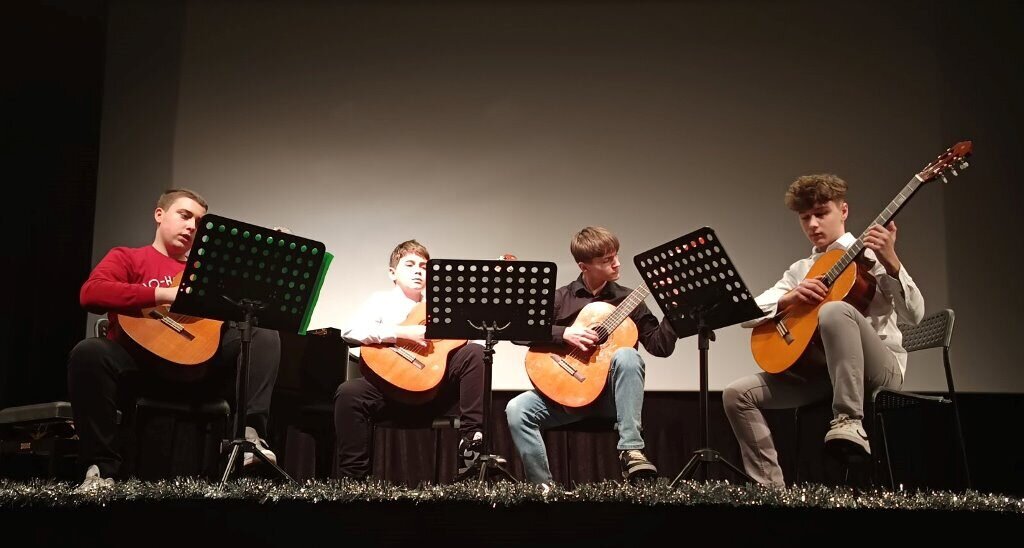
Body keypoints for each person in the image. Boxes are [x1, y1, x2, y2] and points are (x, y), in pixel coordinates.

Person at [68, 188, 281, 491]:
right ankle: (101, 470)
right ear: (159, 215)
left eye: (199, 222)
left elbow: (244, 309)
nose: (192, 226)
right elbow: (91, 293)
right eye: (185, 215)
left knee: (262, 334)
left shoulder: (207, 273)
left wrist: (264, 263)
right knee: (88, 352)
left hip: (197, 371)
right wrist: (164, 294)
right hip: (139, 367)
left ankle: (250, 439)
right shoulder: (127, 257)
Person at [723, 173, 925, 487]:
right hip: (823, 375)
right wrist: (790, 298)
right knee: (736, 395)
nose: (813, 225)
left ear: (843, 211)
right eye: (805, 218)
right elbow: (746, 313)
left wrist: (892, 260)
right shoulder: (802, 270)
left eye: (821, 214)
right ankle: (771, 489)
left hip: (879, 371)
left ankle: (849, 420)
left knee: (834, 310)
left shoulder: (871, 256)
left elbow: (915, 315)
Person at [505, 226, 679, 485]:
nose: (617, 264)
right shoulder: (561, 298)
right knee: (517, 409)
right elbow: (518, 332)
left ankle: (631, 450)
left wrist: (672, 312)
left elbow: (660, 347)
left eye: (616, 256)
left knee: (628, 357)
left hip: (610, 400)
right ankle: (542, 488)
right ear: (583, 266)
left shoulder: (630, 299)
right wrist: (564, 334)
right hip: (565, 397)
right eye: (607, 260)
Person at [335, 239, 497, 481]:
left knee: (474, 352)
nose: (418, 271)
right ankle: (353, 481)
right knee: (348, 393)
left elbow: (467, 335)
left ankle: (471, 446)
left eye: (424, 266)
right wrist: (401, 333)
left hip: (432, 391)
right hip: (387, 392)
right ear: (392, 273)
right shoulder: (379, 301)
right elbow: (349, 332)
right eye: (409, 264)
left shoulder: (442, 305)